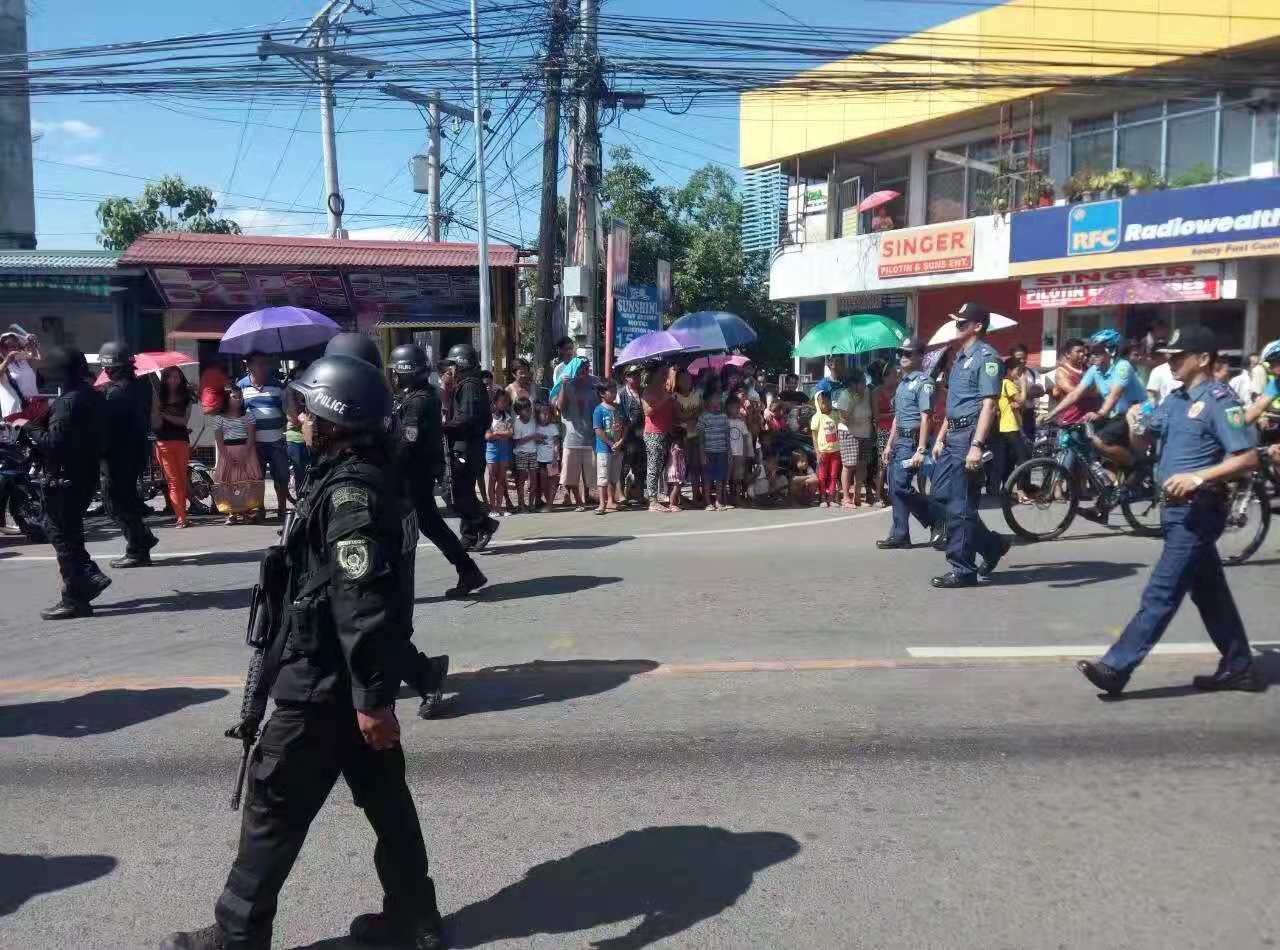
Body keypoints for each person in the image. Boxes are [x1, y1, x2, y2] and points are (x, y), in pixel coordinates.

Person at [161, 355, 445, 950]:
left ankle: (237, 936)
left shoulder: (349, 496)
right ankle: (415, 921)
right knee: (387, 801)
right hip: (347, 681)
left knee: (273, 804)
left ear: (332, 419)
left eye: (306, 410)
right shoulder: (352, 476)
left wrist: (371, 701)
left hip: (325, 684)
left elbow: (360, 600)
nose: (299, 419)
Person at [1076, 327, 1261, 696]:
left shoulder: (1221, 401)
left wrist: (1198, 476)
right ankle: (1239, 665)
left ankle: (1116, 667)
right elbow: (1144, 439)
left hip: (1199, 509)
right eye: (1169, 355)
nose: (1170, 361)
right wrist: (1134, 422)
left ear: (1203, 359)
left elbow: (1247, 457)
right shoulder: (1175, 400)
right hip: (1174, 510)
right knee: (1209, 592)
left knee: (1162, 592)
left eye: (1179, 355)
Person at [389, 344, 486, 599]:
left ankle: (466, 570)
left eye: (396, 372)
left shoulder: (418, 401)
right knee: (432, 526)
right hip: (416, 474)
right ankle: (468, 570)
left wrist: (385, 461)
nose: (394, 377)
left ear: (406, 372)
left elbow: (408, 441)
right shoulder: (418, 396)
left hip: (412, 475)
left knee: (402, 527)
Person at [929, 303, 1012, 588]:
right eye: (957, 323)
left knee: (960, 505)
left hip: (969, 438)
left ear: (977, 326)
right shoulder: (959, 358)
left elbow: (989, 404)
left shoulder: (987, 357)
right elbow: (954, 405)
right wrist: (940, 437)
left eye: (963, 323)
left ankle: (963, 569)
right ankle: (990, 545)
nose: (958, 327)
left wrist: (977, 445)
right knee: (940, 498)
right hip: (952, 437)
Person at [26, 346, 108, 619]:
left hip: (64, 479)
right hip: (84, 477)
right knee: (69, 535)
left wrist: (32, 428)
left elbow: (54, 444)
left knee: (61, 537)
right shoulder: (93, 397)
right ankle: (87, 579)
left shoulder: (67, 403)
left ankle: (76, 594)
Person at [1043, 329, 1146, 476]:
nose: (1092, 355)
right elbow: (1075, 394)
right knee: (1090, 441)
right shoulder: (1094, 370)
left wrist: (1100, 413)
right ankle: (1109, 485)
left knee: (1099, 441)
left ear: (1111, 351)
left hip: (1134, 413)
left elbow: (1114, 395)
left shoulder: (1122, 366)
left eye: (1098, 351)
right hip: (1115, 415)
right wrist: (1052, 414)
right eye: (1091, 351)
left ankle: (1135, 465)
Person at [877, 338, 943, 550]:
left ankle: (937, 519)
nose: (902, 357)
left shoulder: (924, 383)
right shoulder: (903, 384)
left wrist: (921, 449)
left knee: (902, 487)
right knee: (895, 488)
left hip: (913, 442)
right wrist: (888, 445)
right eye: (901, 353)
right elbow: (897, 417)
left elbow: (926, 417)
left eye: (908, 353)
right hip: (900, 441)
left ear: (920, 357)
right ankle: (900, 534)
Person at [98, 341, 159, 568]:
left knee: (117, 505)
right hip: (135, 452)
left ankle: (137, 548)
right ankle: (142, 539)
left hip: (118, 457)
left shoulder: (115, 395)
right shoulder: (142, 384)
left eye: (108, 368)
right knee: (128, 501)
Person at [441, 343, 497, 552]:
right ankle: (470, 535)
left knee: (455, 492)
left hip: (468, 447)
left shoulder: (470, 385)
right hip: (467, 445)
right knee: (463, 492)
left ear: (461, 364)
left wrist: (443, 428)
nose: (450, 370)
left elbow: (468, 418)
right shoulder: (464, 384)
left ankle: (484, 523)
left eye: (452, 366)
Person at [240, 352, 290, 522]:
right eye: (259, 364)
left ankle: (282, 509)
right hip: (254, 444)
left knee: (281, 477)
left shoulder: (277, 386)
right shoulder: (241, 386)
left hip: (277, 440)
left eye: (264, 364)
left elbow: (286, 411)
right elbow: (237, 413)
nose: (263, 367)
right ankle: (259, 509)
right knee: (257, 478)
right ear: (249, 366)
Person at [212, 387, 264, 524]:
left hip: (246, 452)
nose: (239, 399)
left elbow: (251, 437)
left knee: (247, 483)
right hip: (227, 452)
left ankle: (246, 512)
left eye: (240, 397)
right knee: (229, 483)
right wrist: (226, 457)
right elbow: (219, 440)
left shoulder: (248, 415)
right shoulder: (219, 418)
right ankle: (231, 513)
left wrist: (245, 455)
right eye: (235, 397)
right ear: (227, 399)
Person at [553, 356, 598, 511]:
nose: (585, 371)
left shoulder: (594, 384)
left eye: (587, 368)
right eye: (582, 368)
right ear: (575, 369)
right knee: (570, 473)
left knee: (590, 471)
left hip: (590, 435)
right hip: (571, 437)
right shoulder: (567, 383)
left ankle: (587, 496)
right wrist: (564, 385)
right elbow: (559, 406)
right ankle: (578, 501)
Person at [153, 366, 194, 527]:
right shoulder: (157, 395)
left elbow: (183, 421)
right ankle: (181, 517)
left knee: (182, 480)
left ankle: (182, 515)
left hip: (181, 441)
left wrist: (163, 414)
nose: (173, 380)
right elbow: (154, 423)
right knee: (173, 481)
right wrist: (156, 411)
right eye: (170, 377)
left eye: (176, 376)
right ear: (165, 379)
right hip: (162, 442)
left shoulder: (186, 397)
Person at [991, 358, 1031, 501]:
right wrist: (1024, 384)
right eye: (1018, 371)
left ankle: (1006, 489)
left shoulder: (1000, 384)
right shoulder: (1008, 383)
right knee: (1023, 459)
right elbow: (1021, 400)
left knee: (1009, 459)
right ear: (1009, 370)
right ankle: (1020, 491)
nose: (1019, 375)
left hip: (1003, 427)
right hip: (1010, 426)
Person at [642, 365, 677, 512]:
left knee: (660, 466)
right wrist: (664, 399)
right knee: (653, 466)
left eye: (665, 373)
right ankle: (652, 500)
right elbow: (648, 411)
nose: (664, 376)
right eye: (662, 373)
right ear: (654, 375)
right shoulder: (647, 391)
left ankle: (657, 495)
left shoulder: (664, 389)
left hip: (664, 432)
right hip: (652, 433)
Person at [836, 372, 873, 508]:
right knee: (849, 465)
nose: (865, 384)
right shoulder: (845, 395)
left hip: (865, 432)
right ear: (853, 384)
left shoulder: (868, 392)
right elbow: (844, 419)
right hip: (849, 433)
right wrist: (855, 400)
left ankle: (857, 498)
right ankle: (846, 498)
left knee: (862, 465)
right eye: (862, 381)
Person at [592, 381, 625, 515]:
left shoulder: (618, 408)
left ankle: (611, 500)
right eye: (610, 391)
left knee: (614, 476)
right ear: (602, 393)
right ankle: (602, 503)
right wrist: (611, 444)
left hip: (618, 448)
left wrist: (621, 441)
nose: (614, 393)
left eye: (614, 390)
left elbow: (625, 426)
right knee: (603, 476)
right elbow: (598, 430)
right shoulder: (599, 410)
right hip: (604, 448)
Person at [617, 365, 647, 504]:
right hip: (627, 435)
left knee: (641, 467)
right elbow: (617, 413)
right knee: (624, 466)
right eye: (632, 375)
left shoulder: (644, 391)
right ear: (626, 377)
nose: (635, 377)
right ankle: (621, 494)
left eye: (637, 374)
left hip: (643, 434)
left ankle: (639, 494)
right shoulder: (621, 393)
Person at [674, 370, 704, 506]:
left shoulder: (698, 394)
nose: (686, 382)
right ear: (678, 382)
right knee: (683, 467)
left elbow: (702, 410)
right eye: (682, 379)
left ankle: (697, 494)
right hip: (682, 437)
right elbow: (679, 415)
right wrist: (693, 414)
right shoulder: (674, 397)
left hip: (698, 434)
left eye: (688, 379)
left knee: (697, 466)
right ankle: (678, 497)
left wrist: (689, 416)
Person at [484, 389, 515, 517]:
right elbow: (487, 436)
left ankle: (499, 506)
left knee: (502, 479)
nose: (504, 404)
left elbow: (510, 433)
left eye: (506, 402)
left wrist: (496, 434)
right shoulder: (488, 417)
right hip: (491, 450)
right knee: (492, 478)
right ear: (495, 402)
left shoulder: (507, 416)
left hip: (504, 450)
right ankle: (492, 508)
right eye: (502, 401)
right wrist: (499, 434)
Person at [808, 390, 841, 507]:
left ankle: (831, 498)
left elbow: (839, 429)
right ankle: (822, 498)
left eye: (828, 402)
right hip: (823, 452)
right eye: (822, 403)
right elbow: (814, 436)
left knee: (833, 475)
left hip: (835, 451)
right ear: (818, 404)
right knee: (822, 476)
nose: (825, 405)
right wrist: (817, 452)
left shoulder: (835, 415)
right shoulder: (817, 417)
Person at [0, 330, 40, 418]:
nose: (16, 349)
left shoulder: (23, 361)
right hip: (16, 411)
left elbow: (37, 359)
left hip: (34, 408)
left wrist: (32, 344)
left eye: (17, 345)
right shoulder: (3, 364)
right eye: (10, 346)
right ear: (2, 349)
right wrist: (7, 360)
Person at [510, 396, 540, 512]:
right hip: (521, 453)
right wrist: (532, 437)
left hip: (533, 452)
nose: (529, 411)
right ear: (518, 411)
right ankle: (521, 504)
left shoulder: (533, 420)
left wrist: (537, 438)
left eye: (529, 408)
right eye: (525, 409)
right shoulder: (517, 423)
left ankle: (531, 504)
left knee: (533, 480)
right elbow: (517, 441)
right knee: (521, 479)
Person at [727, 395, 753, 504]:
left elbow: (746, 437)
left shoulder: (741, 423)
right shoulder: (725, 421)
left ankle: (737, 497)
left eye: (737, 408)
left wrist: (746, 453)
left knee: (737, 477)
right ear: (727, 408)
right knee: (728, 477)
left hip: (739, 453)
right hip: (728, 454)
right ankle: (727, 498)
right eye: (733, 407)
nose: (736, 410)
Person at [534, 403, 559, 511]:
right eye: (544, 414)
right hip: (540, 461)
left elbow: (557, 443)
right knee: (544, 484)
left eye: (548, 414)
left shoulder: (553, 427)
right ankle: (548, 502)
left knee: (553, 482)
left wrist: (555, 457)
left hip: (551, 460)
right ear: (538, 414)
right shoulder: (535, 427)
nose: (546, 416)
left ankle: (550, 504)